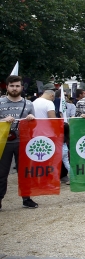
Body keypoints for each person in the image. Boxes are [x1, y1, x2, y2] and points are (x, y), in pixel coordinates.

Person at [0, 75, 38, 209]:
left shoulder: (28, 104)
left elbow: (35, 125)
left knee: (25, 172)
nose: (14, 88)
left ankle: (26, 198)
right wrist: (3, 120)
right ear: (7, 87)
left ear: (22, 87)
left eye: (17, 86)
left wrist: (32, 118)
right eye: (12, 86)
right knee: (2, 173)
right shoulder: (0, 102)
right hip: (4, 143)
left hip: (24, 143)